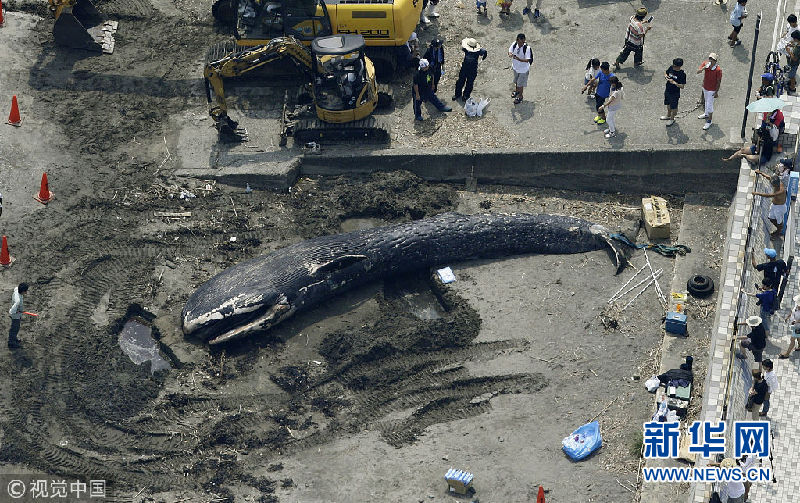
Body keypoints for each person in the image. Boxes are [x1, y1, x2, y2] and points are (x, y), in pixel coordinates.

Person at [453, 38, 488, 102]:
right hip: (466, 67)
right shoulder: (468, 49)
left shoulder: (478, 51)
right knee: (461, 81)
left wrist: (481, 60)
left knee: (469, 83)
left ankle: (465, 96)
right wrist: (481, 60)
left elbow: (485, 52)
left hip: (472, 68)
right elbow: (485, 53)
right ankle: (458, 94)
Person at [754, 172, 787, 239]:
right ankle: (779, 228)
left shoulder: (780, 191)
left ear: (775, 184)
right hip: (774, 205)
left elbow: (769, 195)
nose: (771, 185)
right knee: (771, 218)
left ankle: (778, 232)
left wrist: (757, 193)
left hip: (780, 208)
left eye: (772, 184)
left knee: (779, 221)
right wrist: (760, 173)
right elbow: (769, 177)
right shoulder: (778, 182)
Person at [697, 53, 722, 130]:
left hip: (712, 90)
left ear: (715, 61)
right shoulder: (705, 64)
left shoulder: (718, 70)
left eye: (713, 59)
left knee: (710, 105)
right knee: (706, 101)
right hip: (705, 87)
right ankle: (706, 114)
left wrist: (716, 92)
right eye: (710, 59)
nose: (711, 61)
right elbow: (698, 71)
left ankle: (709, 121)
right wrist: (704, 68)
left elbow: (719, 81)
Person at [660, 58, 686, 127]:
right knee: (668, 104)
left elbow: (682, 86)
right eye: (673, 65)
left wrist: (675, 83)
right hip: (668, 90)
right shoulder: (671, 68)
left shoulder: (682, 74)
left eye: (675, 66)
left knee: (674, 107)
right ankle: (668, 115)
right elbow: (666, 72)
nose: (673, 67)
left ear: (679, 66)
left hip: (675, 93)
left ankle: (672, 119)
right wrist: (666, 76)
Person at [508, 34, 533, 104]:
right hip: (515, 68)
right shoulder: (514, 44)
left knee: (520, 84)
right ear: (517, 40)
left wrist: (518, 59)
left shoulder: (527, 48)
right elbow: (510, 51)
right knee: (516, 82)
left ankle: (520, 96)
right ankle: (517, 92)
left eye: (523, 42)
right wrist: (510, 54)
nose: (521, 44)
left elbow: (527, 60)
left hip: (523, 70)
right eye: (520, 42)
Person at [8, 282, 28, 349]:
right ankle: (11, 342)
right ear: (22, 291)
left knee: (16, 327)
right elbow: (13, 309)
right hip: (15, 315)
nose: (26, 292)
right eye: (25, 291)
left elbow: (15, 288)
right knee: (15, 328)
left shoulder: (17, 290)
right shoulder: (18, 301)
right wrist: (14, 312)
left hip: (18, 313)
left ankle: (14, 338)